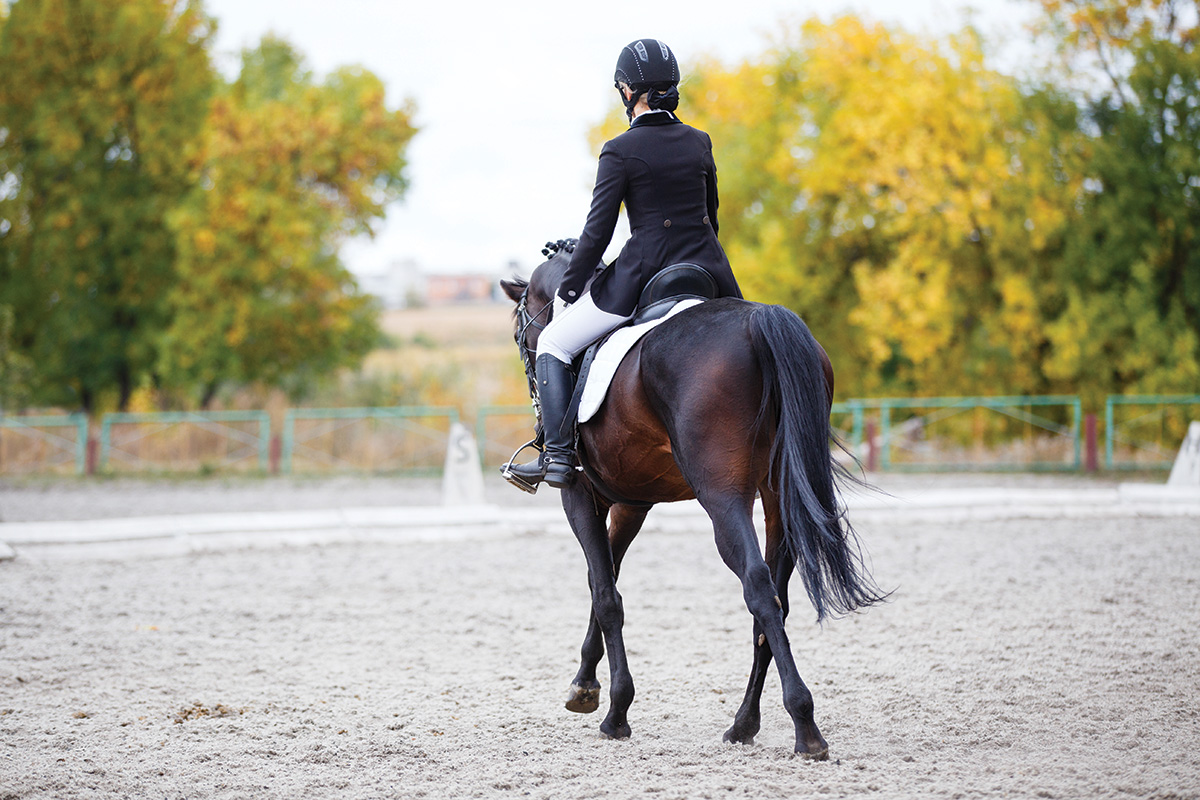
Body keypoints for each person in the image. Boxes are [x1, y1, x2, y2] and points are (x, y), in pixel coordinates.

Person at [509, 38, 742, 490]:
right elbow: (711, 218)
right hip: (708, 271)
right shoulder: (700, 141)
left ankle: (556, 457)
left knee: (555, 343)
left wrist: (570, 289)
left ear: (626, 91)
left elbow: (596, 236)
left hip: (643, 276)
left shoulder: (619, 149)